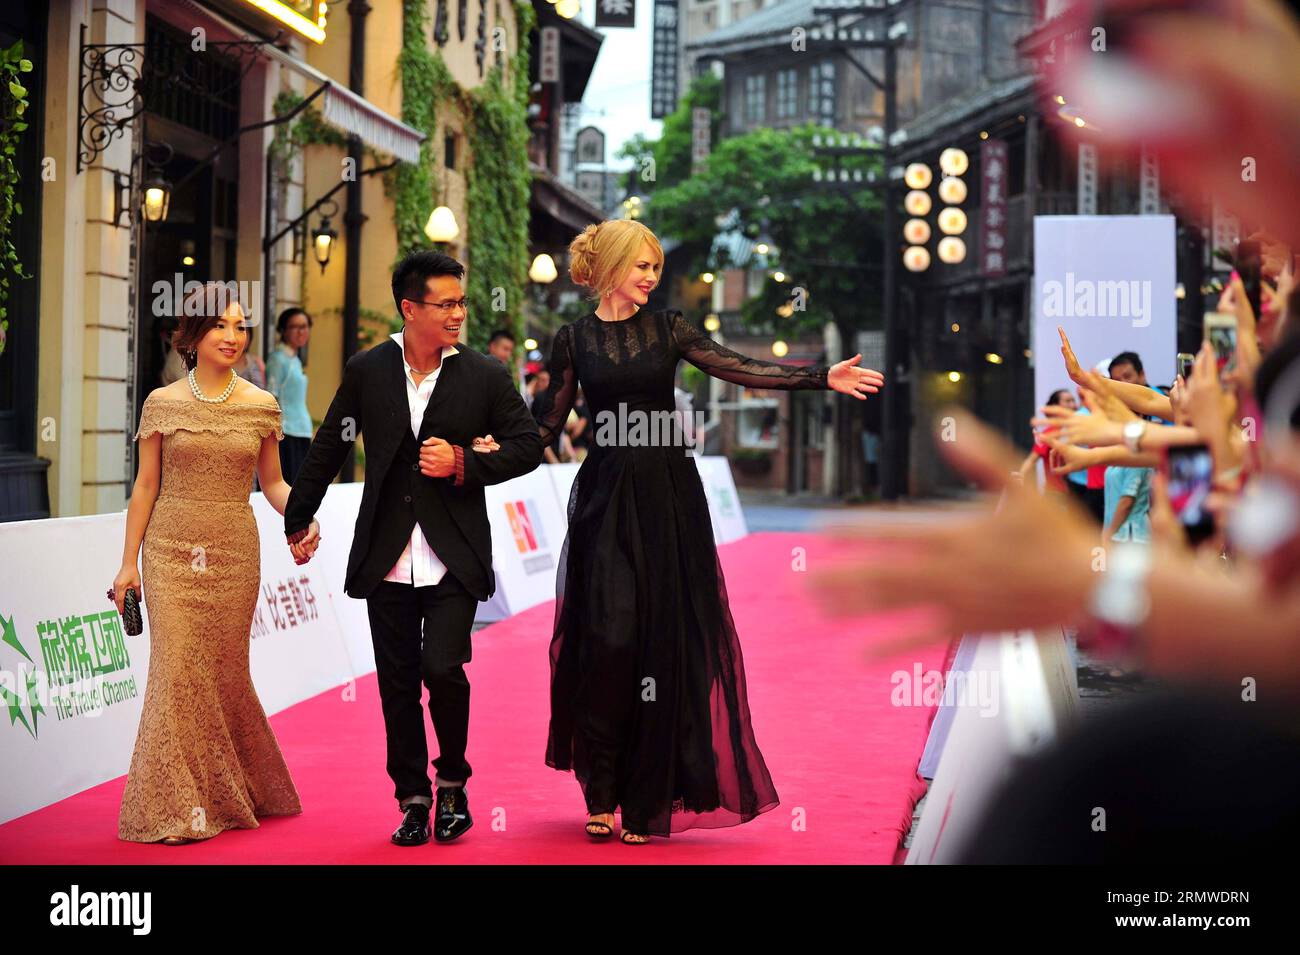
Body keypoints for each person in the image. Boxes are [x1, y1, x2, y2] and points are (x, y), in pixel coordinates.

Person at [534, 219, 884, 843]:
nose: (651, 277)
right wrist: (481, 449)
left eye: (655, 268)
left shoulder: (670, 330)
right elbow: (543, 428)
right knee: (608, 641)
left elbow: (741, 368)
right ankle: (602, 788)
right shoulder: (573, 340)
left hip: (668, 498)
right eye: (642, 265)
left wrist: (816, 376)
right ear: (613, 264)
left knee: (664, 645)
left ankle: (645, 802)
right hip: (605, 501)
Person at [282, 250, 542, 847]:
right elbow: (330, 445)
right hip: (386, 555)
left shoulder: (482, 375)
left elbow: (526, 444)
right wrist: (299, 514)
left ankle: (452, 781)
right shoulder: (369, 370)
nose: (458, 314)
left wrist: (466, 462)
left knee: (443, 669)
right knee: (396, 683)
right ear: (409, 307)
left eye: (461, 303)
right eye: (445, 304)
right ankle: (413, 798)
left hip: (454, 553)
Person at [111, 282, 309, 844]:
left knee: (222, 671)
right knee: (176, 669)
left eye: (240, 326)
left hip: (233, 548)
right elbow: (145, 485)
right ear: (193, 335)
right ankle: (177, 807)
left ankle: (230, 788)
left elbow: (272, 483)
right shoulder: (162, 403)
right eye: (220, 325)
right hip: (170, 548)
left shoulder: (261, 405)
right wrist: (128, 564)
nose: (232, 336)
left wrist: (303, 517)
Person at [266, 308, 314, 483]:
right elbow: (271, 396)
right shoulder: (278, 359)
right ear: (283, 330)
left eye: (305, 326)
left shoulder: (295, 358)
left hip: (301, 430)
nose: (301, 331)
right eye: (295, 327)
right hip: (287, 432)